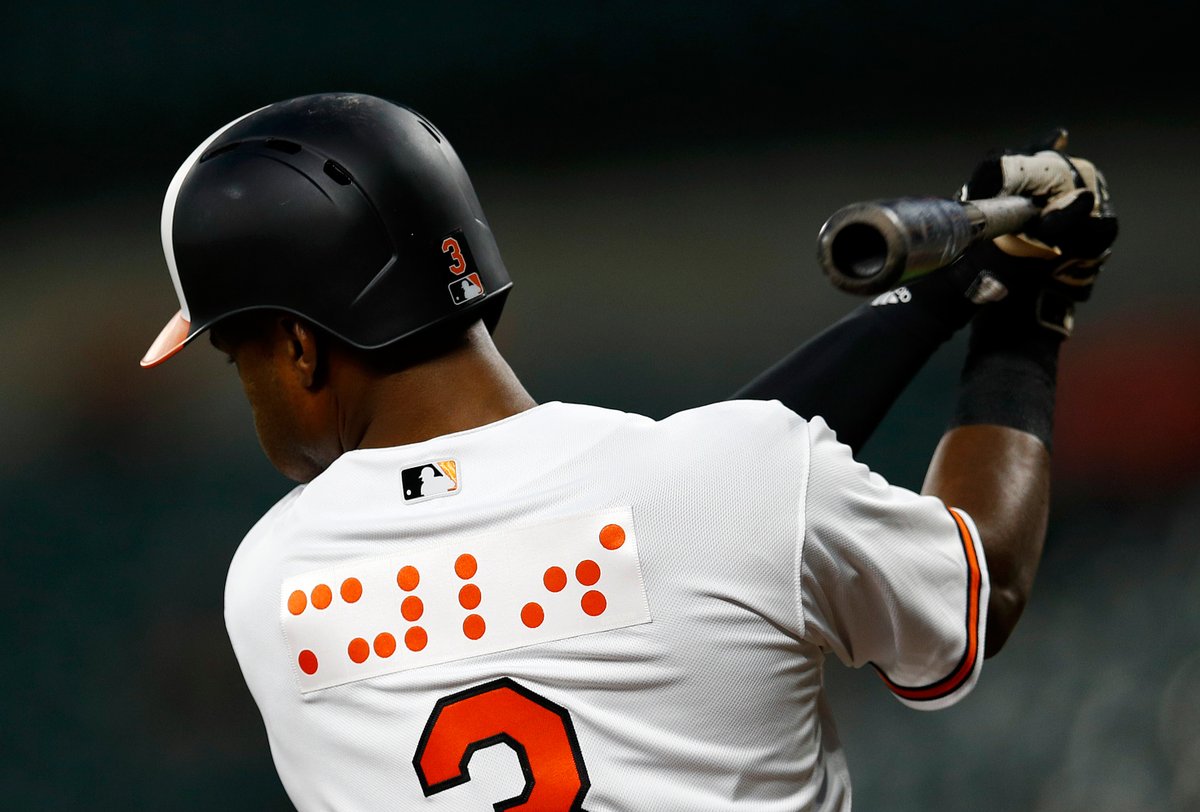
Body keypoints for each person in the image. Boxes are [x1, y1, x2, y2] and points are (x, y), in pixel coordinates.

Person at [140, 93, 1116, 811]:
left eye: (240, 352)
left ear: (303, 344)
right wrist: (1025, 319)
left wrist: (939, 300)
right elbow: (973, 582)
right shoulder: (731, 483)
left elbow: (681, 496)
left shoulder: (273, 582)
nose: (250, 382)